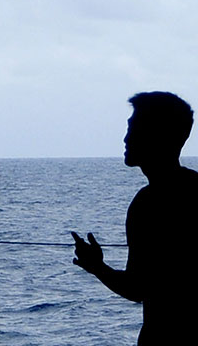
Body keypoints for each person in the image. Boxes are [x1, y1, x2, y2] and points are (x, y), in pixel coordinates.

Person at [71, 91, 198, 345]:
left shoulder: (148, 203)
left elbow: (137, 288)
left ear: (158, 136)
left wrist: (97, 267)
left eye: (135, 128)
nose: (126, 138)